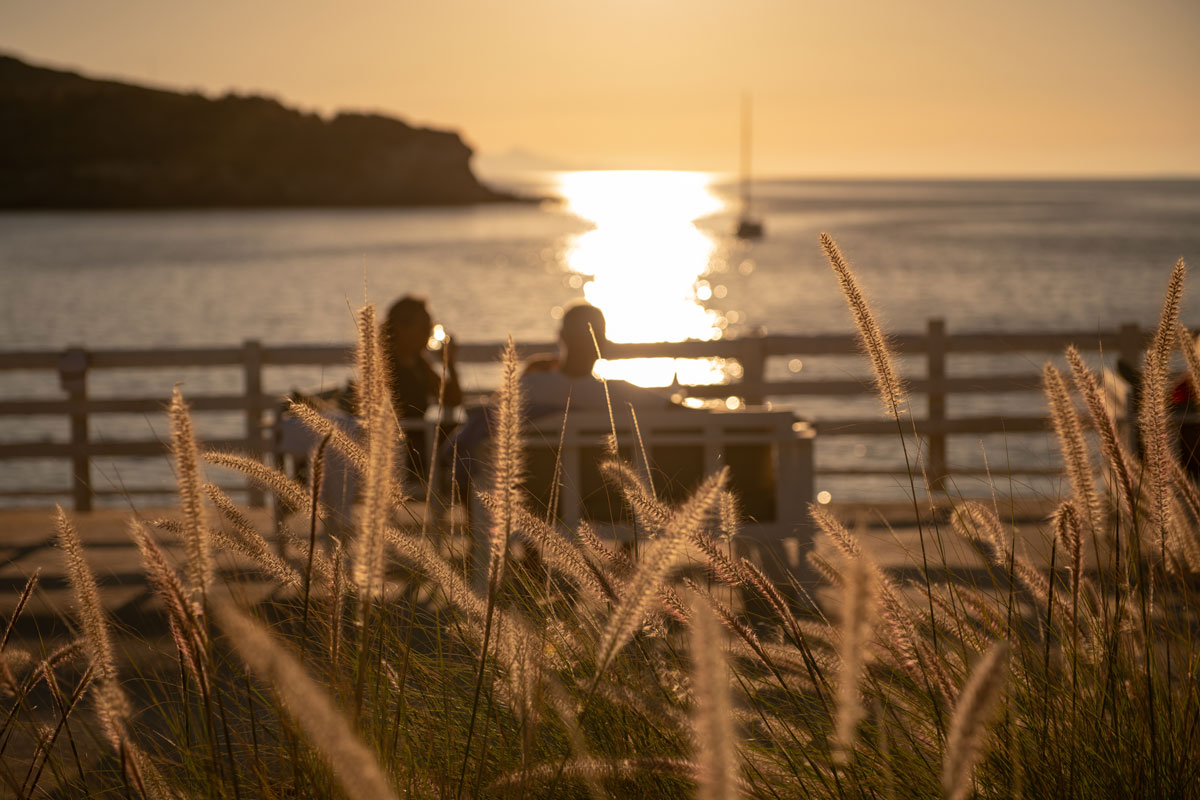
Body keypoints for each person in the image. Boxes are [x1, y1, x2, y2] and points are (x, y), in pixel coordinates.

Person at [380, 295, 462, 481]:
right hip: (404, 450)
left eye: (430, 326)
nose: (428, 331)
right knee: (467, 446)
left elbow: (453, 399)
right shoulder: (383, 365)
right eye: (424, 326)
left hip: (424, 441)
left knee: (470, 440)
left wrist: (449, 364)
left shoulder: (419, 362)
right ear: (401, 328)